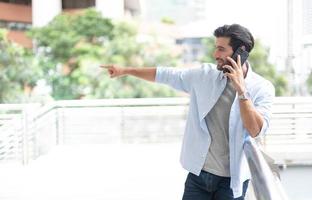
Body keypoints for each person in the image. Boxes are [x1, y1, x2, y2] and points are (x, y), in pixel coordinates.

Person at [101, 24, 275, 200]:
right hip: (199, 175)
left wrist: (241, 91)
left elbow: (256, 130)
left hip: (232, 182)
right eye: (216, 48)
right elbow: (166, 75)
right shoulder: (204, 75)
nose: (216, 55)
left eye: (221, 49)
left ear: (241, 51)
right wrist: (125, 71)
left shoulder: (262, 88)